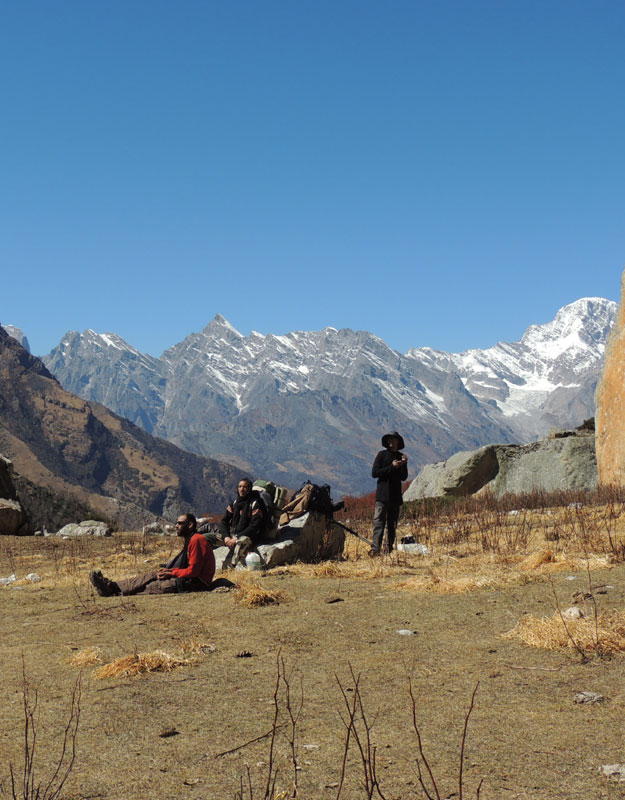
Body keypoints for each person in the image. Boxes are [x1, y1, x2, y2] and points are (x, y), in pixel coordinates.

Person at [89, 513, 215, 596]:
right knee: (153, 574)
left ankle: (113, 591)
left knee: (155, 586)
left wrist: (171, 573)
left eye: (180, 523)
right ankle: (113, 585)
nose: (176, 526)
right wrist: (168, 571)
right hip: (187, 579)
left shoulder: (196, 540)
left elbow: (194, 571)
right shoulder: (191, 539)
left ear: (190, 525)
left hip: (194, 583)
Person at [203, 478, 264, 567]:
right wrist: (226, 537)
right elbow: (224, 521)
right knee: (204, 538)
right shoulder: (235, 503)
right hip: (231, 536)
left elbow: (254, 526)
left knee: (241, 541)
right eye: (239, 486)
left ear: (249, 489)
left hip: (247, 537)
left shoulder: (255, 504)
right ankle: (202, 561)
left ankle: (232, 566)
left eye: (244, 487)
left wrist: (237, 538)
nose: (241, 489)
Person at [370, 431, 408, 555]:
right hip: (382, 496)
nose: (391, 442)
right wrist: (392, 466)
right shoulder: (381, 455)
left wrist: (403, 464)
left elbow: (404, 477)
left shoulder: (401, 457)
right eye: (389, 440)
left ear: (398, 442)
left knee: (392, 525)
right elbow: (375, 473)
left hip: (395, 497)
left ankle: (388, 549)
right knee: (379, 524)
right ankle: (376, 549)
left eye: (393, 440)